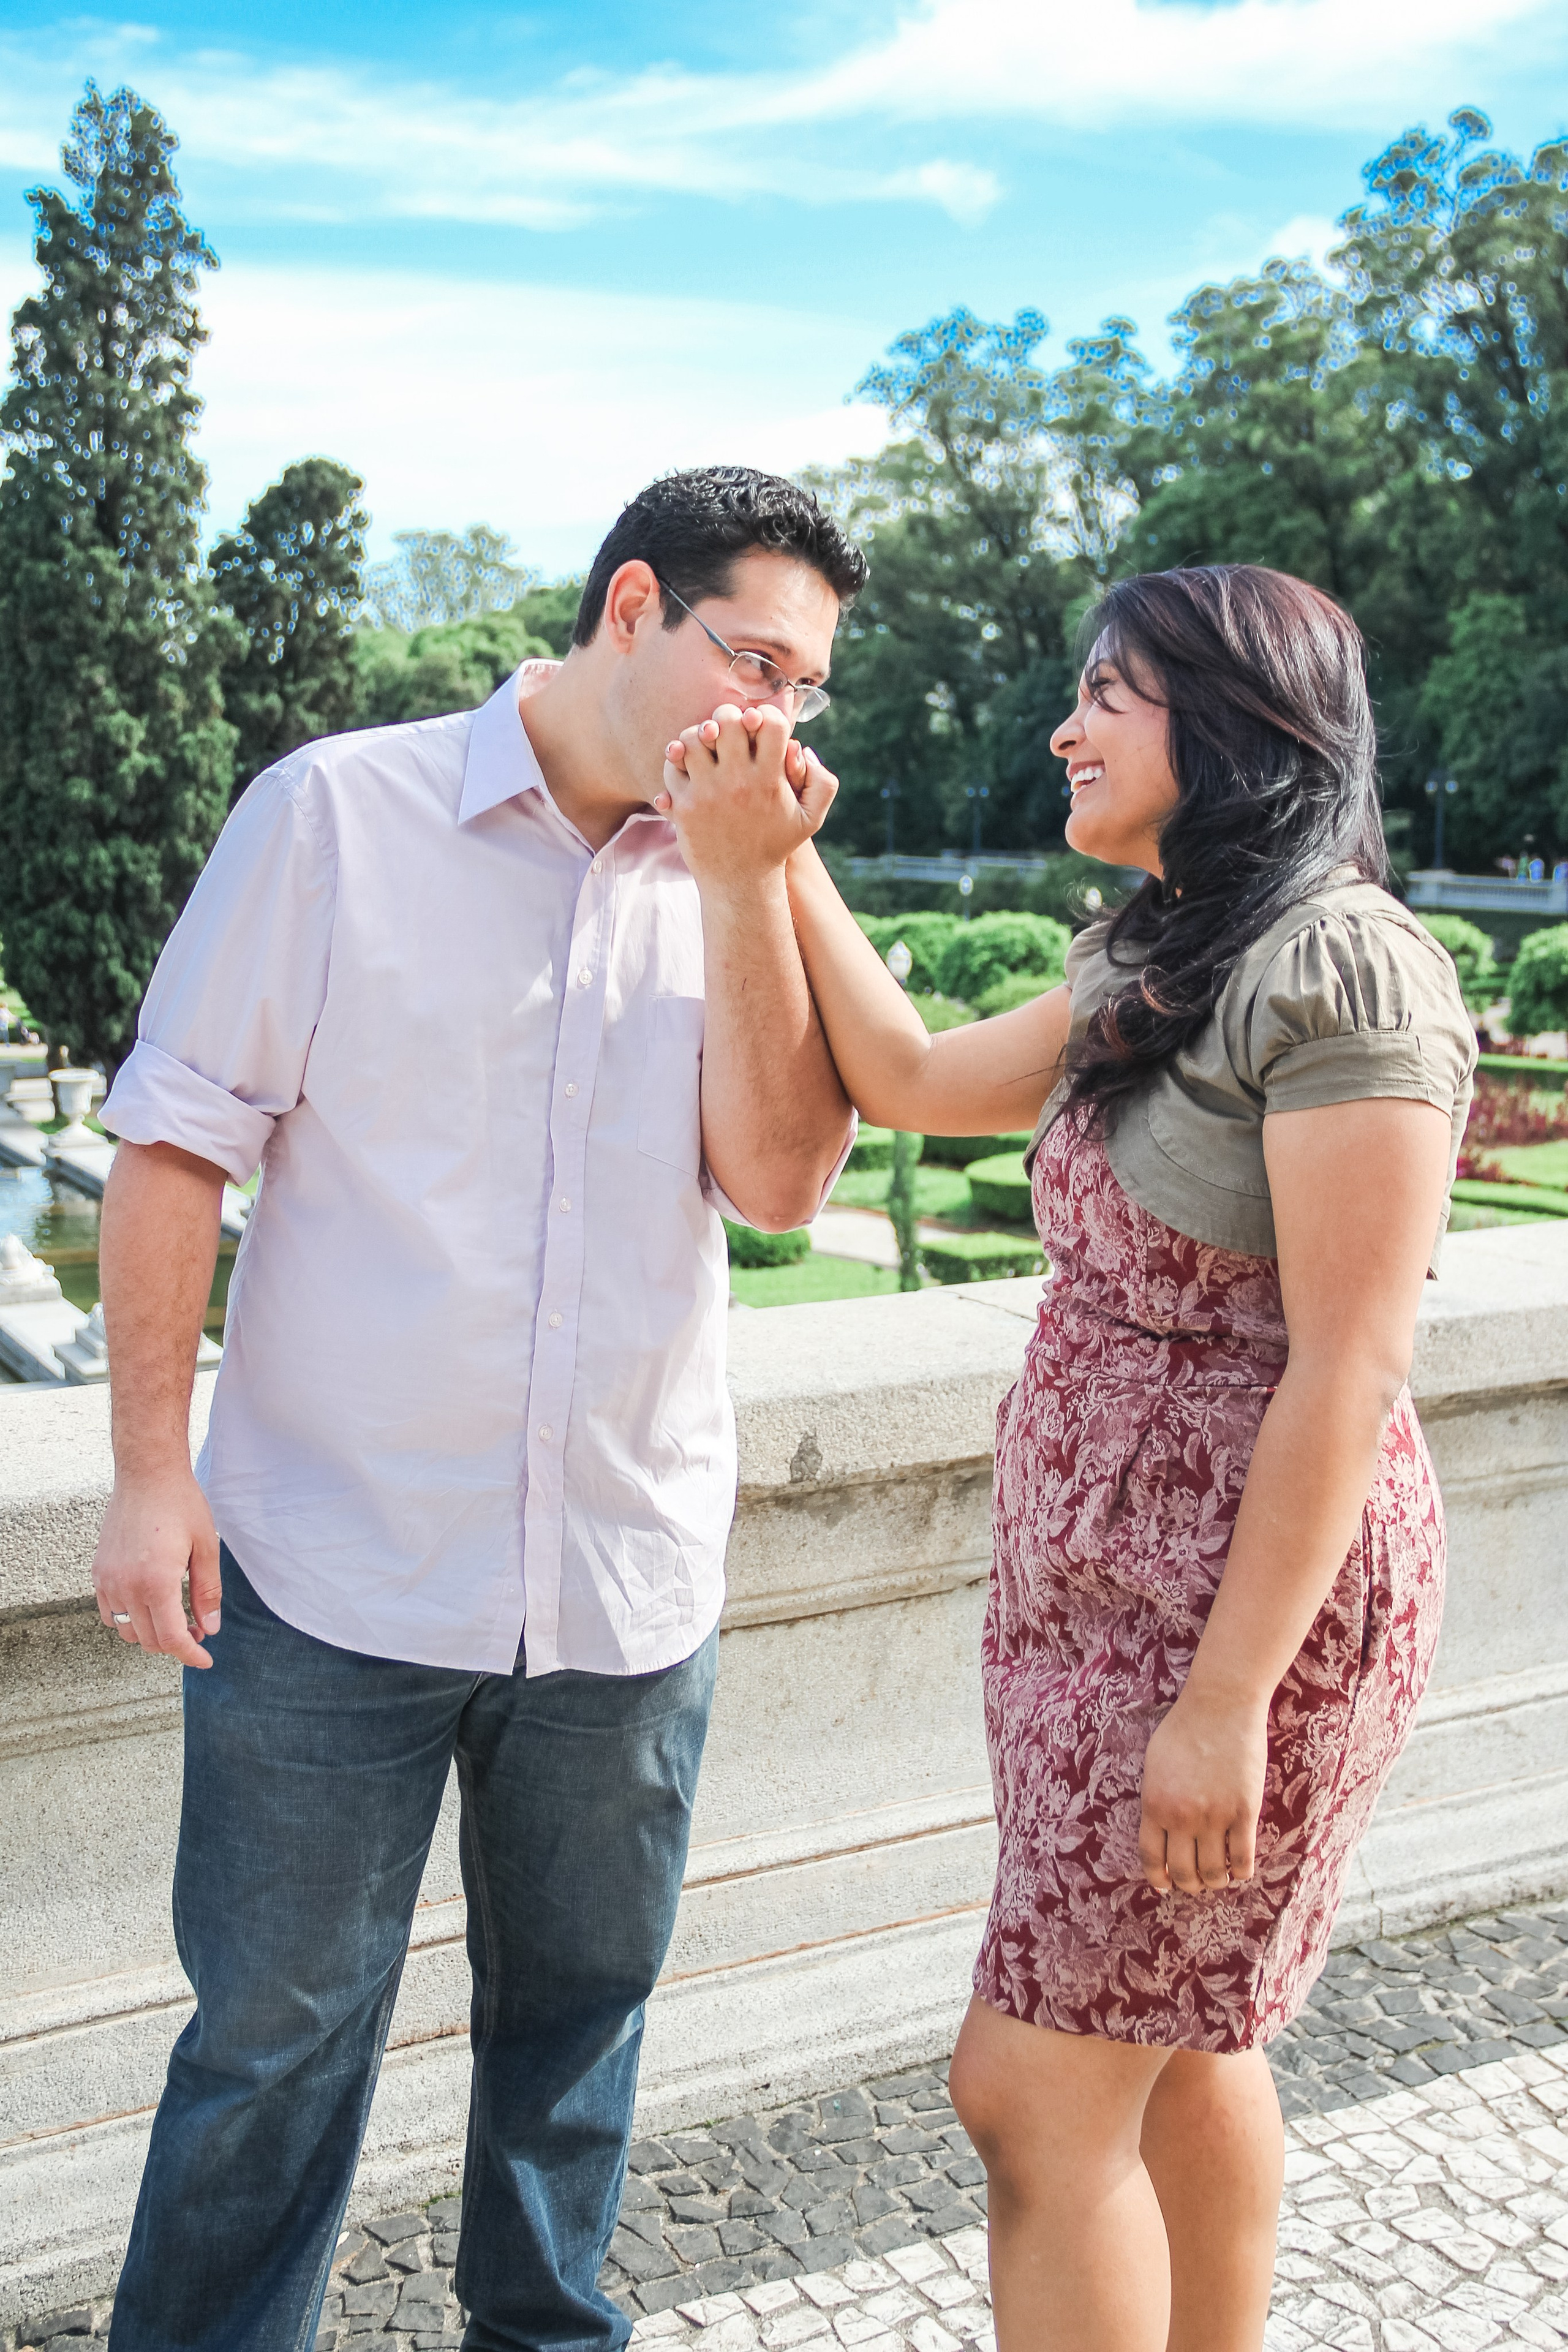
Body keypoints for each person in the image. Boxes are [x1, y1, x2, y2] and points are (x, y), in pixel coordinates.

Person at [658, 563, 1475, 2352]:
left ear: (1241, 722)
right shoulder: (1156, 953)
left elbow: (1350, 1369)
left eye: (1112, 691)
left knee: (1029, 2092)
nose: (1067, 724)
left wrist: (1226, 1703)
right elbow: (908, 1070)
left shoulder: (1343, 969)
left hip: (1231, 1631)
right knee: (1181, 2048)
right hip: (1089, 1613)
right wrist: (773, 850)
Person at [91, 466, 861, 2352]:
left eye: (810, 687)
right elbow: (176, 1145)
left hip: (623, 1580)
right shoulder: (335, 816)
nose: (777, 716)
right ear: (627, 609)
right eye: (751, 658)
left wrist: (756, 887)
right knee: (273, 2043)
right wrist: (144, 1475)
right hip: (331, 1570)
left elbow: (780, 1187)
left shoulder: (758, 867)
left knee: (581, 2031)